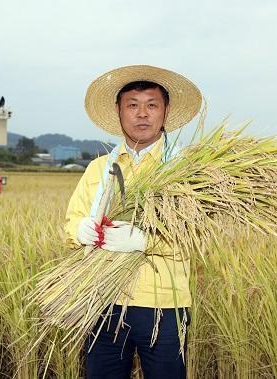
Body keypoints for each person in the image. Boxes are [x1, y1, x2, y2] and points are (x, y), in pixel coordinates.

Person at [64, 65, 202, 378]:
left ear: (166, 111)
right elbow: (71, 224)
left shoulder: (185, 171)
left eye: (152, 105)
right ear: (118, 111)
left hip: (164, 305)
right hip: (102, 302)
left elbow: (197, 233)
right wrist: (80, 230)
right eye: (133, 105)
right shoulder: (99, 169)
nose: (142, 114)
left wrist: (145, 241)